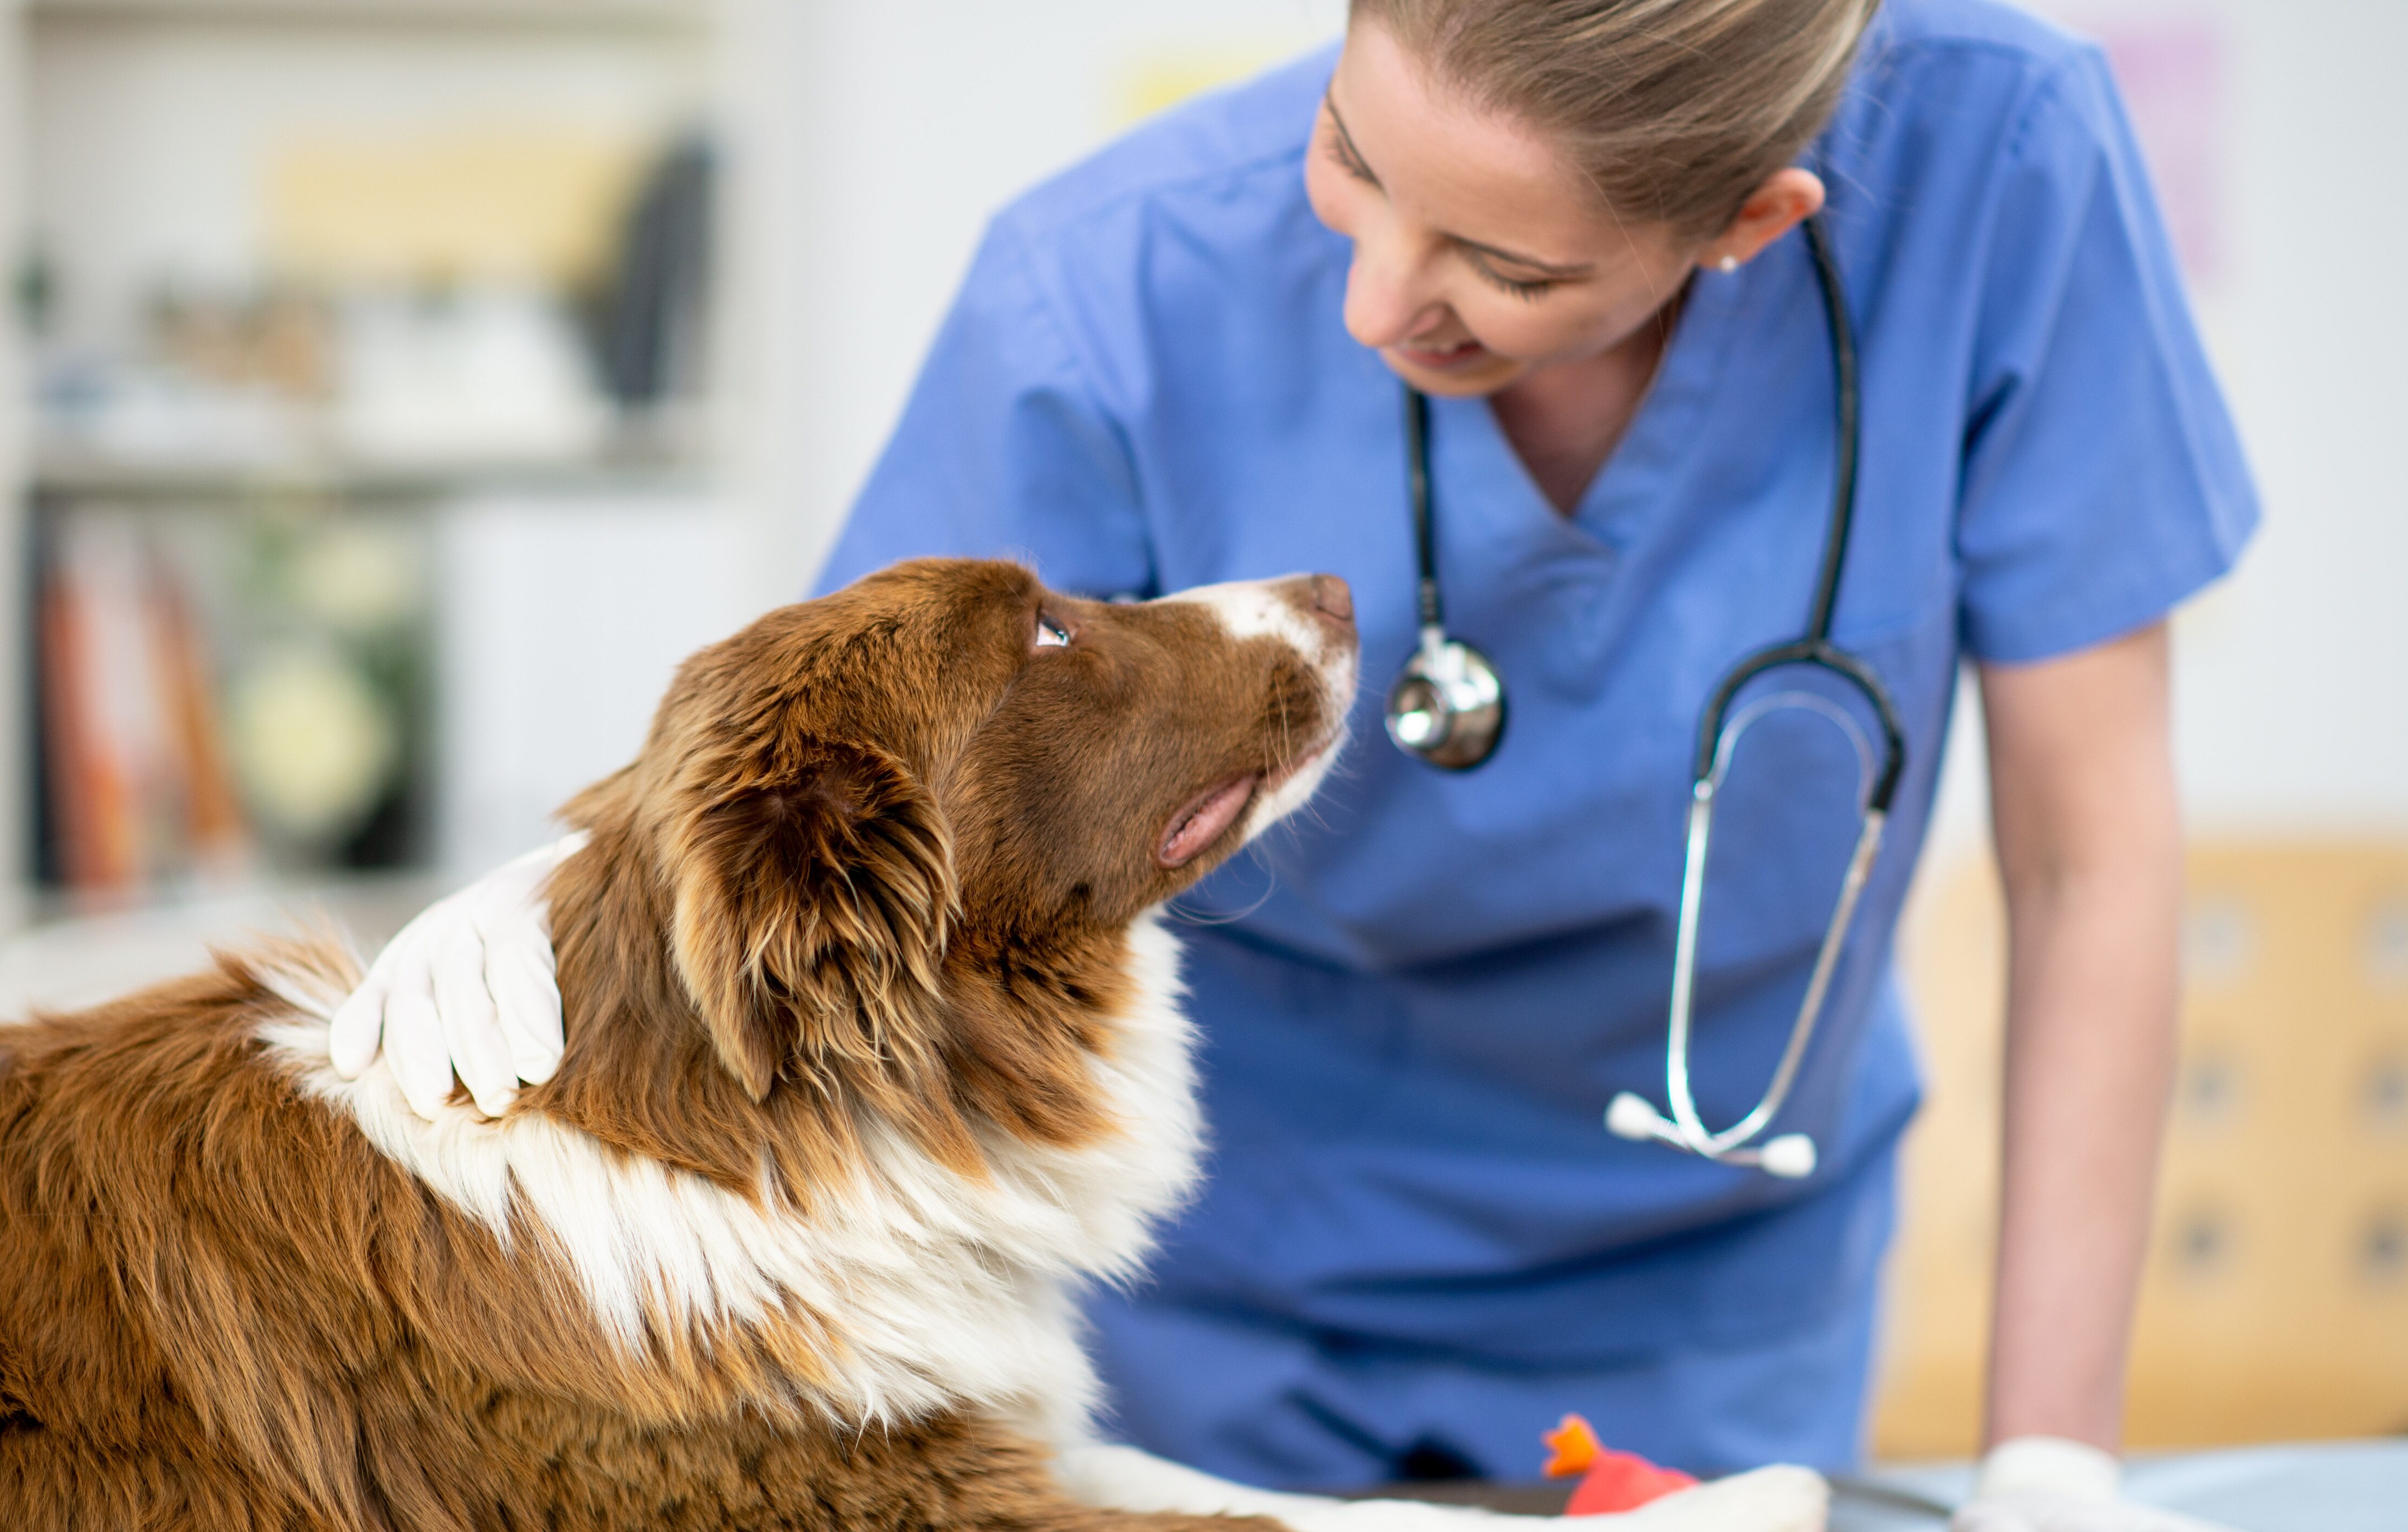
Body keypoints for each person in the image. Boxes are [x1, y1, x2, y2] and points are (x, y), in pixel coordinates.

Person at [332, 2, 2255, 1527]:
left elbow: (2091, 860)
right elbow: (838, 766)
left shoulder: (2009, 168)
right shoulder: (1107, 289)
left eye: (1497, 263)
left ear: (1751, 218)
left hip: (1707, 1288)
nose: (1369, 300)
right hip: (1209, 1287)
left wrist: (2050, 1465)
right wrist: (563, 899)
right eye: (1351, 150)